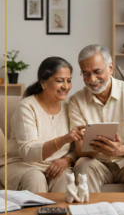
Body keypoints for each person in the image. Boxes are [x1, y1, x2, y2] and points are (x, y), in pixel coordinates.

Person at [69, 44, 124, 192]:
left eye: (97, 71)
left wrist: (120, 150)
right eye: (86, 74)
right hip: (96, 163)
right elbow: (80, 149)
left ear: (110, 68)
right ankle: (90, 213)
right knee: (82, 165)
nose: (92, 79)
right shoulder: (76, 100)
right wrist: (98, 149)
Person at [0, 57, 85, 192]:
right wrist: (64, 139)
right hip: (22, 164)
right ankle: (33, 214)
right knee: (36, 179)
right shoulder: (27, 107)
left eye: (68, 80)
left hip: (56, 165)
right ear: (43, 83)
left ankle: (64, 214)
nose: (66, 86)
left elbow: (76, 149)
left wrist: (67, 161)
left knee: (66, 181)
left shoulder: (71, 106)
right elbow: (28, 152)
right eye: (59, 80)